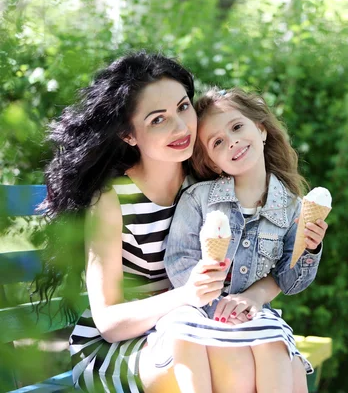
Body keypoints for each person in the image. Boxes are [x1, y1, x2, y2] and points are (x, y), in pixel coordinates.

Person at [33, 52, 286, 393]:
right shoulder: (112, 200)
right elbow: (109, 322)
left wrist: (305, 243)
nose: (181, 127)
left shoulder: (205, 185)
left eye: (183, 107)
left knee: (256, 358)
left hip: (196, 330)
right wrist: (187, 295)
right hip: (121, 348)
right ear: (128, 135)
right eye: (157, 120)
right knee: (223, 361)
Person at [162, 87, 329, 393]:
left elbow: (289, 280)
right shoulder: (199, 200)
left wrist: (311, 248)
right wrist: (217, 304)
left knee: (280, 356)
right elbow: (179, 261)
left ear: (262, 130)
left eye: (237, 127)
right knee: (269, 364)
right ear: (213, 162)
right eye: (218, 142)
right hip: (201, 313)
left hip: (254, 315)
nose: (233, 142)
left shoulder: (293, 207)